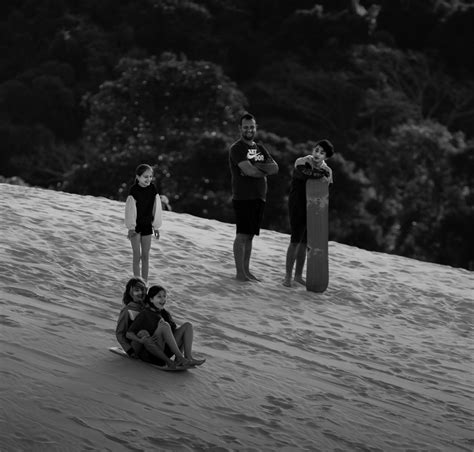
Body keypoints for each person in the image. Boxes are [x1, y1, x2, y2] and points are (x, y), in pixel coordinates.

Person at [229, 113, 279, 282]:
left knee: (250, 235)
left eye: (252, 127)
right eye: (246, 127)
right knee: (242, 234)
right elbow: (248, 170)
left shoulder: (260, 148)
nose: (249, 130)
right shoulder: (237, 148)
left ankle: (247, 271)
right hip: (243, 197)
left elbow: (275, 168)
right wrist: (259, 169)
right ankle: (240, 273)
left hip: (259, 197)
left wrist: (256, 166)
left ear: (255, 128)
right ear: (240, 129)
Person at [283, 139, 334, 287]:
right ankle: (287, 276)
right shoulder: (301, 161)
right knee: (295, 240)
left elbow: (326, 189)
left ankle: (298, 276)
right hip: (297, 204)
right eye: (316, 150)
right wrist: (319, 174)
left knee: (305, 242)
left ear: (327, 157)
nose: (317, 154)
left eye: (322, 152)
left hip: (313, 208)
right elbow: (304, 174)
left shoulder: (328, 170)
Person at [126, 285, 206, 368]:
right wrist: (140, 340)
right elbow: (128, 333)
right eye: (159, 297)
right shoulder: (145, 314)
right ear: (151, 299)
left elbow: (174, 335)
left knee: (187, 326)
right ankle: (180, 358)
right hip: (153, 351)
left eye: (164, 296)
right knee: (164, 325)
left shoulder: (164, 313)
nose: (163, 299)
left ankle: (187, 358)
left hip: (166, 349)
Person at [125, 164, 163, 283]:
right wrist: (131, 227)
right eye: (145, 176)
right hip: (135, 227)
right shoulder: (134, 190)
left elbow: (156, 208)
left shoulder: (153, 189)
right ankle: (137, 283)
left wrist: (156, 226)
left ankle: (144, 283)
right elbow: (130, 210)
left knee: (145, 256)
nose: (149, 179)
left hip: (147, 226)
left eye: (151, 176)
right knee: (137, 255)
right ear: (138, 177)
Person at [115, 277, 148, 357]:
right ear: (130, 293)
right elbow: (119, 333)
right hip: (135, 345)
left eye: (143, 289)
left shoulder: (146, 307)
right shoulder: (127, 311)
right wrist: (129, 351)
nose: (141, 292)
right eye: (137, 290)